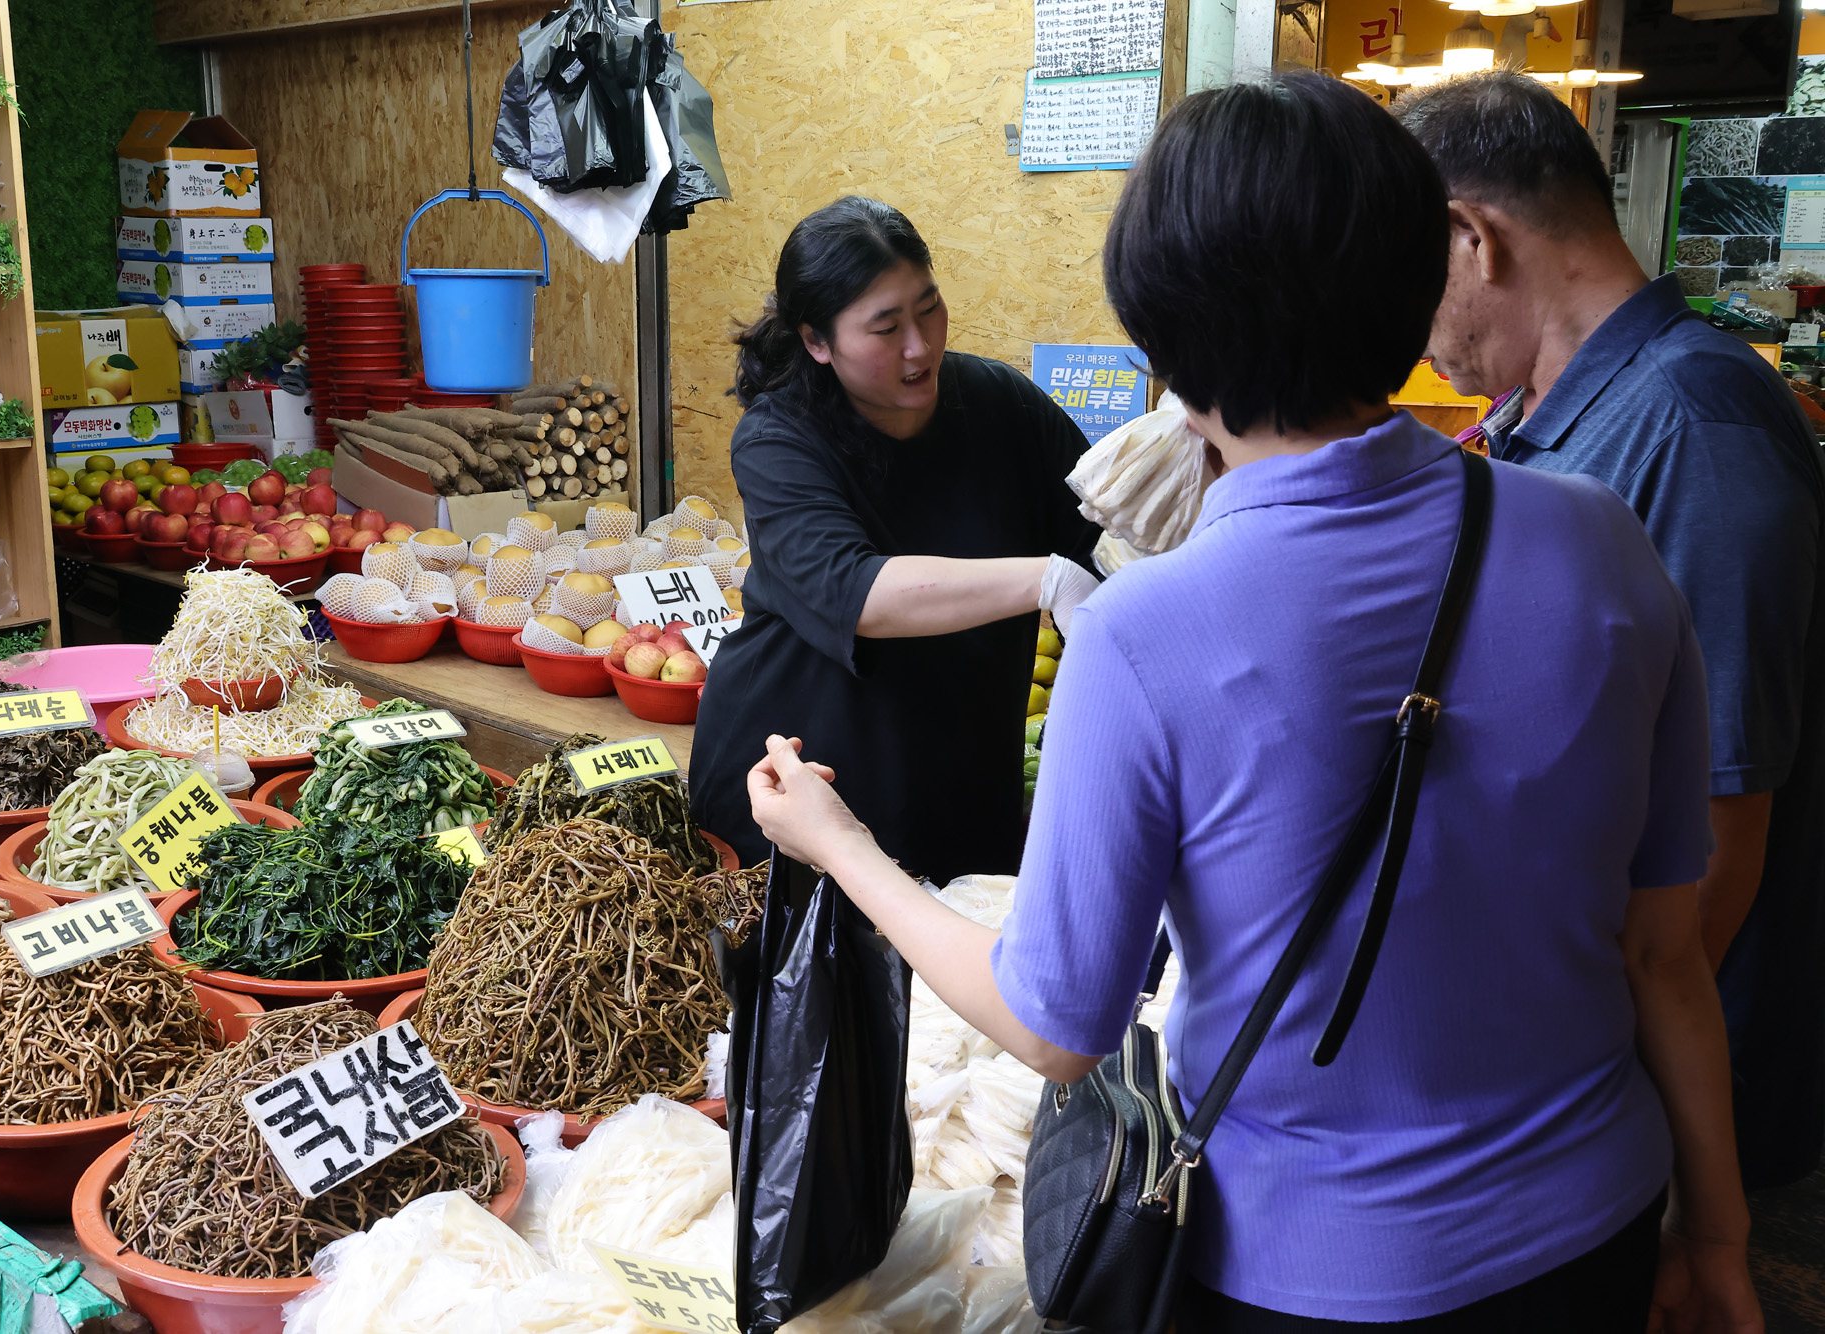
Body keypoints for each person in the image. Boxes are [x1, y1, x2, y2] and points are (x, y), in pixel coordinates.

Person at [746, 74, 1760, 1332]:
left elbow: (1057, 1027)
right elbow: (1663, 953)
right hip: (1595, 1221)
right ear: (1416, 280)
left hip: (1309, 1275)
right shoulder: (1601, 541)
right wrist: (1715, 1233)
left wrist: (839, 846)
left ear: (1160, 344)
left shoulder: (1139, 636)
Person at [1399, 73, 1825, 1192]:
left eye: (1404, 280)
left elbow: (1723, 825)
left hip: (1659, 1081)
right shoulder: (1549, 415)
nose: (1403, 325)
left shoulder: (1693, 427)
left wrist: (1631, 1088)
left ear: (1468, 238)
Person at [687, 197, 1101, 884]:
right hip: (806, 785)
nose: (920, 345)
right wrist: (1047, 580)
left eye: (928, 307)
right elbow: (857, 592)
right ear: (817, 341)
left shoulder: (1002, 408)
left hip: (960, 781)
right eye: (885, 328)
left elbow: (1105, 530)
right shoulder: (779, 438)